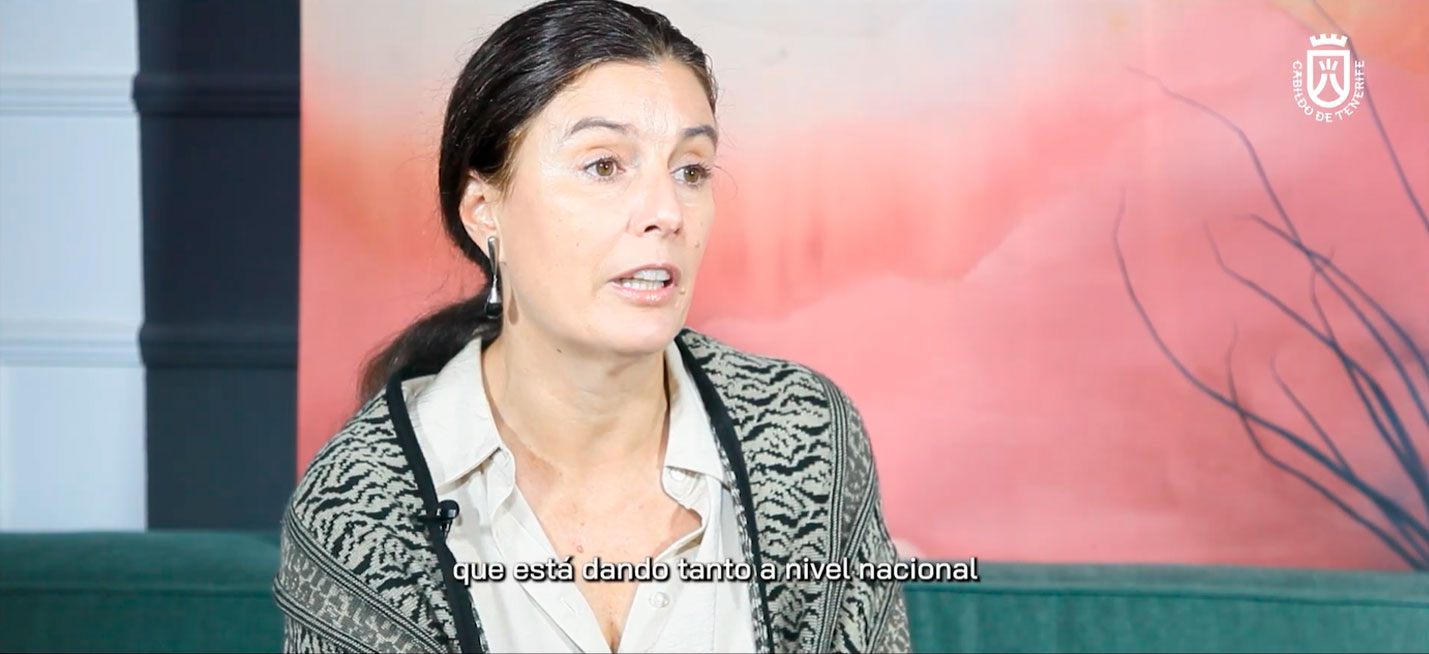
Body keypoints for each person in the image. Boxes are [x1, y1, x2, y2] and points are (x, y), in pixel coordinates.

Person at [272, 1, 910, 652]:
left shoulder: (805, 435)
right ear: (484, 209)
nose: (667, 211)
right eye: (604, 165)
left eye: (690, 170)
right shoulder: (360, 509)